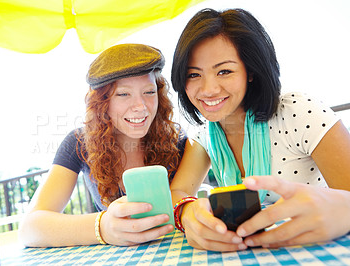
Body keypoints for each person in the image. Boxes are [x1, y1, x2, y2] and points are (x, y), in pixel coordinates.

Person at [169, 8, 350, 252]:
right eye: (193, 74)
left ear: (251, 71)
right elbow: (179, 191)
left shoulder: (298, 112)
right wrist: (188, 212)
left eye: (224, 71)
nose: (208, 89)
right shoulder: (205, 135)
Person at [19, 43, 187, 247]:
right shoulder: (78, 143)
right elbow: (29, 228)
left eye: (149, 92)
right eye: (123, 94)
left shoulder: (178, 141)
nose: (141, 106)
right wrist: (102, 227)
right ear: (102, 102)